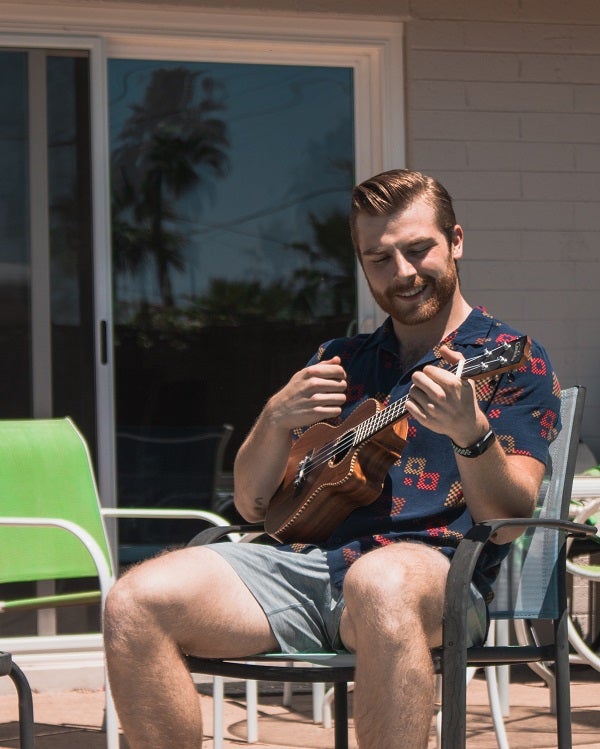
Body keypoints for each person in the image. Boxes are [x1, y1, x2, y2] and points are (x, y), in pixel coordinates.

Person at [104, 169, 561, 749]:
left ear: (457, 242)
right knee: (134, 601)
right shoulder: (339, 362)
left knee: (380, 581)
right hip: (302, 568)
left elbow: (511, 520)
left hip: (433, 577)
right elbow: (252, 504)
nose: (402, 273)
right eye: (379, 258)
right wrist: (274, 418)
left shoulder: (509, 359)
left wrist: (470, 435)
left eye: (418, 249)